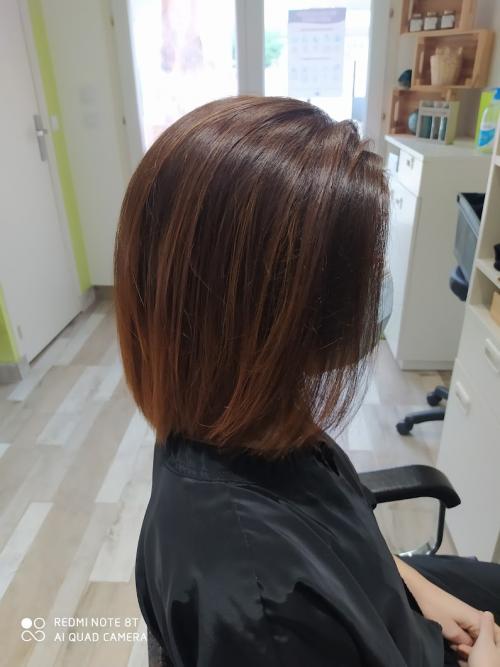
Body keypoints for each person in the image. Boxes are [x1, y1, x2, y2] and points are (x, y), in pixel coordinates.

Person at [113, 96, 500, 666]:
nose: (379, 281)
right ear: (273, 313)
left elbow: (344, 541)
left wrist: (421, 593)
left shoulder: (240, 418)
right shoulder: (267, 615)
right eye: (363, 269)